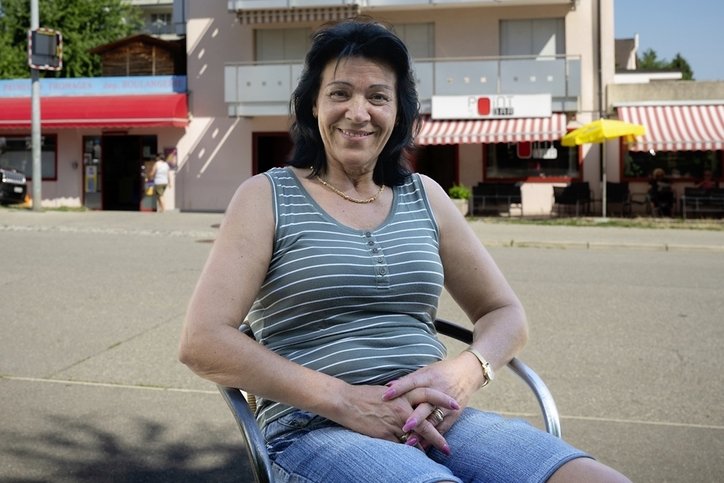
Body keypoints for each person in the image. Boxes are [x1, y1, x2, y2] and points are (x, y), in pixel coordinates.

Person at [179, 18, 630, 483]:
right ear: (313, 104)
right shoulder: (266, 196)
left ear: (398, 113)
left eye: (377, 96)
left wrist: (465, 372)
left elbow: (505, 313)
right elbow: (203, 341)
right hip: (316, 431)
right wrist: (347, 401)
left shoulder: (425, 195)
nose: (358, 112)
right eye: (339, 94)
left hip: (442, 420)